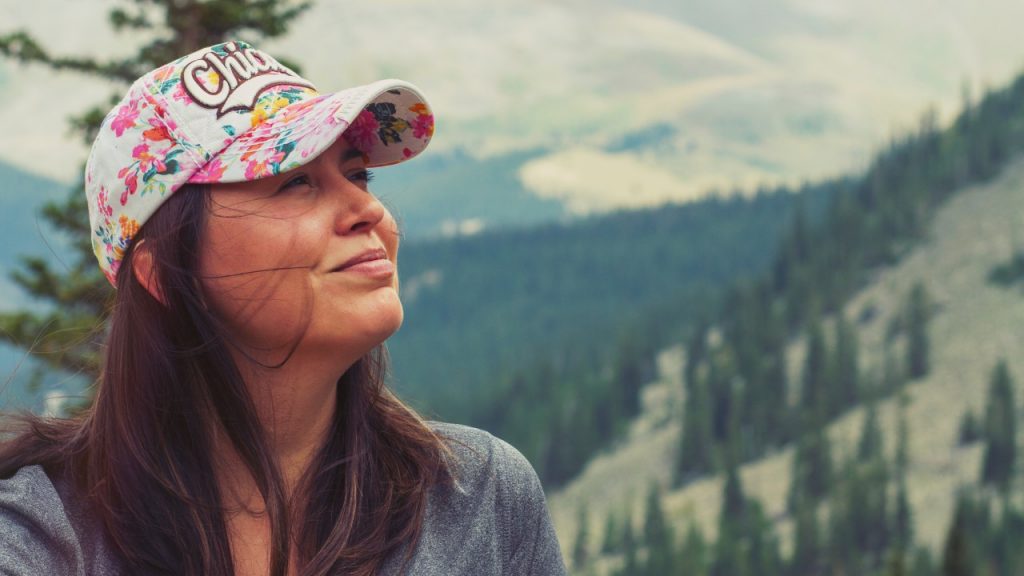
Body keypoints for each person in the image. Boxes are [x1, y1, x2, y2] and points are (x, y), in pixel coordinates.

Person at [0, 40, 567, 576]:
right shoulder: (38, 541)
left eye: (356, 173)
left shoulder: (480, 501)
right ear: (161, 274)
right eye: (294, 182)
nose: (367, 208)